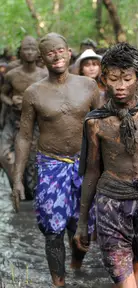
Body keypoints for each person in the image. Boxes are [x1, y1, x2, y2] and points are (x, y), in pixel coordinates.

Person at [12, 33, 100, 287]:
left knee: (81, 228)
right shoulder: (34, 93)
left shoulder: (88, 86)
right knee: (53, 231)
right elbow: (24, 137)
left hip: (84, 165)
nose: (56, 56)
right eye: (50, 52)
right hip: (51, 165)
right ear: (43, 59)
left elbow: (103, 124)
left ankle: (77, 264)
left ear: (69, 52)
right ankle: (58, 283)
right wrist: (17, 179)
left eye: (60, 50)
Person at [74, 43, 138, 288]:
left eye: (127, 79)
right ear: (103, 79)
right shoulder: (95, 122)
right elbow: (91, 171)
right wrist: (82, 222)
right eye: (113, 79)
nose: (120, 86)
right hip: (110, 203)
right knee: (123, 277)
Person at [0, 36, 47, 196]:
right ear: (20, 52)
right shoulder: (11, 75)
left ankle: (30, 191)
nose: (29, 52)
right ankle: (16, 185)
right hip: (13, 120)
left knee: (33, 157)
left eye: (33, 49)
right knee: (4, 154)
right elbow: (3, 94)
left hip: (35, 121)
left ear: (38, 53)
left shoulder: (44, 74)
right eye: (26, 49)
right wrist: (11, 101)